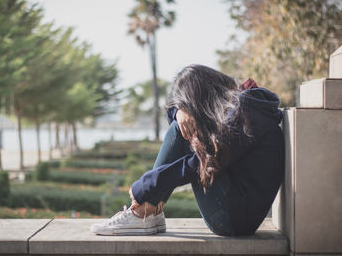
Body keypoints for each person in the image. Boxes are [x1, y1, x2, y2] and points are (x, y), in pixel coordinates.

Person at [91, 64, 284, 236]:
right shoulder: (246, 107)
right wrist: (179, 112)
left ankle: (144, 212)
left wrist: (148, 185)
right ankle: (149, 211)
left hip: (233, 219)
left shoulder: (246, 117)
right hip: (238, 213)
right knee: (181, 125)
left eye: (190, 104)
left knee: (180, 129)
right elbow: (181, 125)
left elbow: (202, 163)